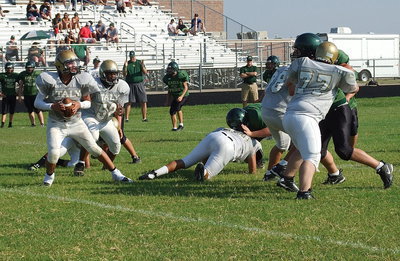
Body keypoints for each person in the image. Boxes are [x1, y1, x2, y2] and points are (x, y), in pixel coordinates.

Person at [34, 50, 132, 186]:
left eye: (75, 62)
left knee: (94, 147)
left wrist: (78, 104)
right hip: (56, 123)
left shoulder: (81, 78)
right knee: (54, 153)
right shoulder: (49, 79)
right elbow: (37, 103)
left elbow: (88, 102)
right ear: (60, 66)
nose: (74, 65)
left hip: (76, 122)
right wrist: (53, 106)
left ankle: (116, 174)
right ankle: (49, 177)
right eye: (70, 63)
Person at [282, 41, 360, 199]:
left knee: (300, 149)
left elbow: (290, 81)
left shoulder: (302, 62)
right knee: (312, 155)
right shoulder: (339, 71)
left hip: (289, 115)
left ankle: (287, 178)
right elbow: (352, 88)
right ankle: (304, 192)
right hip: (307, 116)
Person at [317, 49, 393, 189]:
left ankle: (381, 166)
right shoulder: (309, 63)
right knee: (317, 149)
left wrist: (346, 98)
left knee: (345, 150)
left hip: (339, 109)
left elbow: (351, 77)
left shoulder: (337, 61)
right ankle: (334, 175)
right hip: (324, 110)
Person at [261, 33, 322, 184]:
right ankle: (282, 168)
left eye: (297, 51)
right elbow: (292, 91)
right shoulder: (302, 70)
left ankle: (269, 173)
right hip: (281, 112)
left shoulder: (282, 68)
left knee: (281, 145)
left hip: (266, 110)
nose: (294, 53)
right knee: (305, 143)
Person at [139, 127, 262, 181]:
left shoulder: (231, 129)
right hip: (229, 146)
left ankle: (154, 173)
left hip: (215, 136)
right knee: (207, 175)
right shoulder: (253, 143)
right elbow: (253, 171)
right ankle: (202, 172)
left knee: (185, 161)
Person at [73, 60, 130, 175]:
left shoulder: (122, 86)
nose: (112, 76)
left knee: (116, 146)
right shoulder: (94, 83)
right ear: (102, 73)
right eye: (109, 73)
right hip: (91, 115)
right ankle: (80, 163)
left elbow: (119, 109)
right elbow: (85, 99)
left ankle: (106, 166)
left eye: (114, 73)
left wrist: (119, 128)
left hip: (106, 119)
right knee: (93, 136)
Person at [163, 61, 189, 131]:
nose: (168, 70)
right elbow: (170, 90)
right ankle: (174, 127)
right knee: (171, 111)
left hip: (183, 95)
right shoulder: (168, 78)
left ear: (175, 69)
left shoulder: (180, 75)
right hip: (175, 96)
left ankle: (181, 125)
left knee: (178, 107)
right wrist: (167, 100)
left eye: (170, 69)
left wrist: (181, 96)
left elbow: (186, 87)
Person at [17, 61, 45, 127]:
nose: (29, 69)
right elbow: (20, 85)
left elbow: (44, 80)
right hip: (27, 94)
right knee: (30, 110)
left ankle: (42, 123)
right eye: (28, 68)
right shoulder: (22, 74)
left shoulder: (38, 73)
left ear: (33, 68)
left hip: (35, 94)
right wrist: (20, 96)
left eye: (31, 67)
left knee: (37, 109)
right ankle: (33, 124)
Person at [123, 50, 148, 122]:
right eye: (131, 57)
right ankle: (127, 118)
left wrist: (142, 66)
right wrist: (125, 66)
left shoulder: (139, 62)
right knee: (129, 101)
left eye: (133, 57)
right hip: (130, 84)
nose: (132, 58)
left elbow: (145, 72)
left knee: (143, 101)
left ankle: (144, 117)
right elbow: (124, 74)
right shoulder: (127, 63)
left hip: (139, 83)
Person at [0, 63, 19, 128]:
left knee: (12, 110)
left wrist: (18, 92)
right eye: (8, 68)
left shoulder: (15, 75)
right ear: (5, 69)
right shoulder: (2, 75)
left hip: (13, 95)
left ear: (13, 68)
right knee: (4, 111)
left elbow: (21, 83)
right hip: (5, 95)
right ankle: (2, 123)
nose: (9, 69)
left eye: (10, 68)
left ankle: (10, 123)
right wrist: (0, 93)